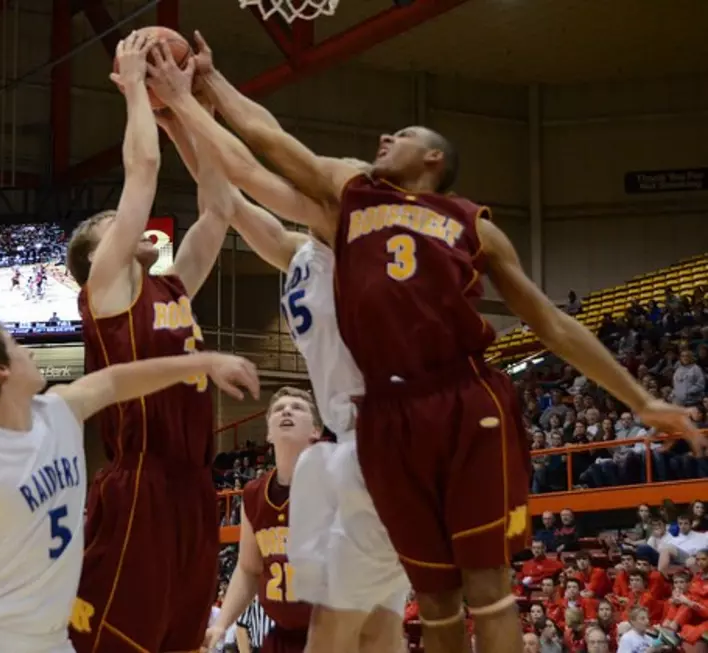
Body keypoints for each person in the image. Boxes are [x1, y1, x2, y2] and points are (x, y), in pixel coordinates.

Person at [147, 32, 705, 653]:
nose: (382, 142)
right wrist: (194, 100)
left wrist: (637, 398)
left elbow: (551, 321)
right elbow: (248, 170)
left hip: (455, 400)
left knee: (466, 593)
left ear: (434, 159)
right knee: (420, 605)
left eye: (401, 136)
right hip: (375, 426)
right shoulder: (327, 223)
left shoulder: (436, 220)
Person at [156, 90, 409, 651]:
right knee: (372, 615)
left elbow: (249, 167)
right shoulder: (300, 251)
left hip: (384, 434)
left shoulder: (358, 254)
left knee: (361, 618)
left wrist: (188, 98)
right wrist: (177, 125)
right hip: (350, 441)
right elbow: (230, 197)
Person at [0, 316, 259, 653]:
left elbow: (118, 380)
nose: (30, 350)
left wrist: (204, 361)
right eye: (16, 344)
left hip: (50, 641)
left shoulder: (61, 409)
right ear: (1, 369)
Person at [65, 30, 235, 653]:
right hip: (139, 482)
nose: (132, 221)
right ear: (94, 254)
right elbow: (142, 171)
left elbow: (218, 209)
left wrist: (198, 112)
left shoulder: (172, 288)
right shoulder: (106, 288)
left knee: (178, 640)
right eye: (115, 222)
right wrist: (137, 90)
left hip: (194, 486)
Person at [204, 388, 320, 652]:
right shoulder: (254, 494)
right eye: (279, 409)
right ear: (268, 433)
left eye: (297, 407)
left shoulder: (333, 484)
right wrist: (221, 624)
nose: (287, 410)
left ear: (315, 430)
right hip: (280, 638)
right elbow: (248, 570)